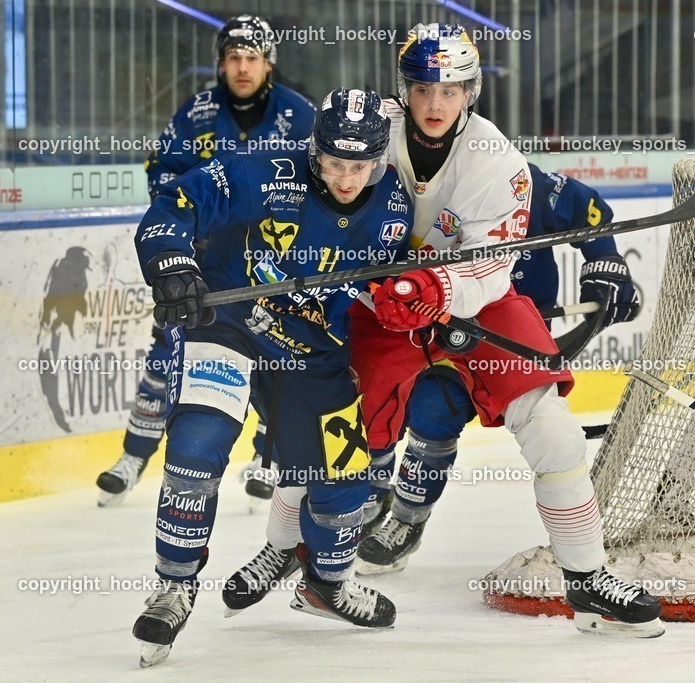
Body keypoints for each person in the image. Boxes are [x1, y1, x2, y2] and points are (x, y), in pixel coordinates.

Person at [225, 23, 662, 638]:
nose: (435, 103)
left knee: (555, 434)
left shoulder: (496, 158)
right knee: (334, 438)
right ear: (404, 89)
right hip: (374, 303)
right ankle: (286, 548)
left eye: (451, 89)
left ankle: (588, 580)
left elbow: (494, 260)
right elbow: (302, 187)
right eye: (423, 87)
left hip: (473, 301)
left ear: (470, 93)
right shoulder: (367, 126)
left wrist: (438, 290)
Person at [131, 88, 409, 667]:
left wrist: (412, 301)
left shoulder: (394, 210)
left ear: (380, 161)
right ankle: (175, 584)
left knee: (344, 481)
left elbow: (389, 287)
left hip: (314, 354)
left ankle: (326, 583)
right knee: (198, 446)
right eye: (335, 163)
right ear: (315, 153)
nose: (347, 178)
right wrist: (174, 265)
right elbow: (174, 207)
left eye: (360, 166)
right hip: (230, 326)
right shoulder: (265, 171)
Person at [354, 165, 639, 575]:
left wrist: (606, 261)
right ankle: (367, 492)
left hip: (503, 328)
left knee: (438, 413)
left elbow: (587, 207)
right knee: (378, 408)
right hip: (427, 322)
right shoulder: (410, 188)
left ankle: (406, 519)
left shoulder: (509, 178)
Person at [96, 14, 316, 507]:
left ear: (268, 63)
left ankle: (269, 457)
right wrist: (189, 226)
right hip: (206, 266)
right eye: (233, 57)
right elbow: (163, 177)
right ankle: (134, 455)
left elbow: (321, 184)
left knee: (281, 355)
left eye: (252, 57)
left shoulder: (299, 115)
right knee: (167, 355)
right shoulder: (195, 113)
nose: (242, 67)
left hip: (273, 262)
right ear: (221, 63)